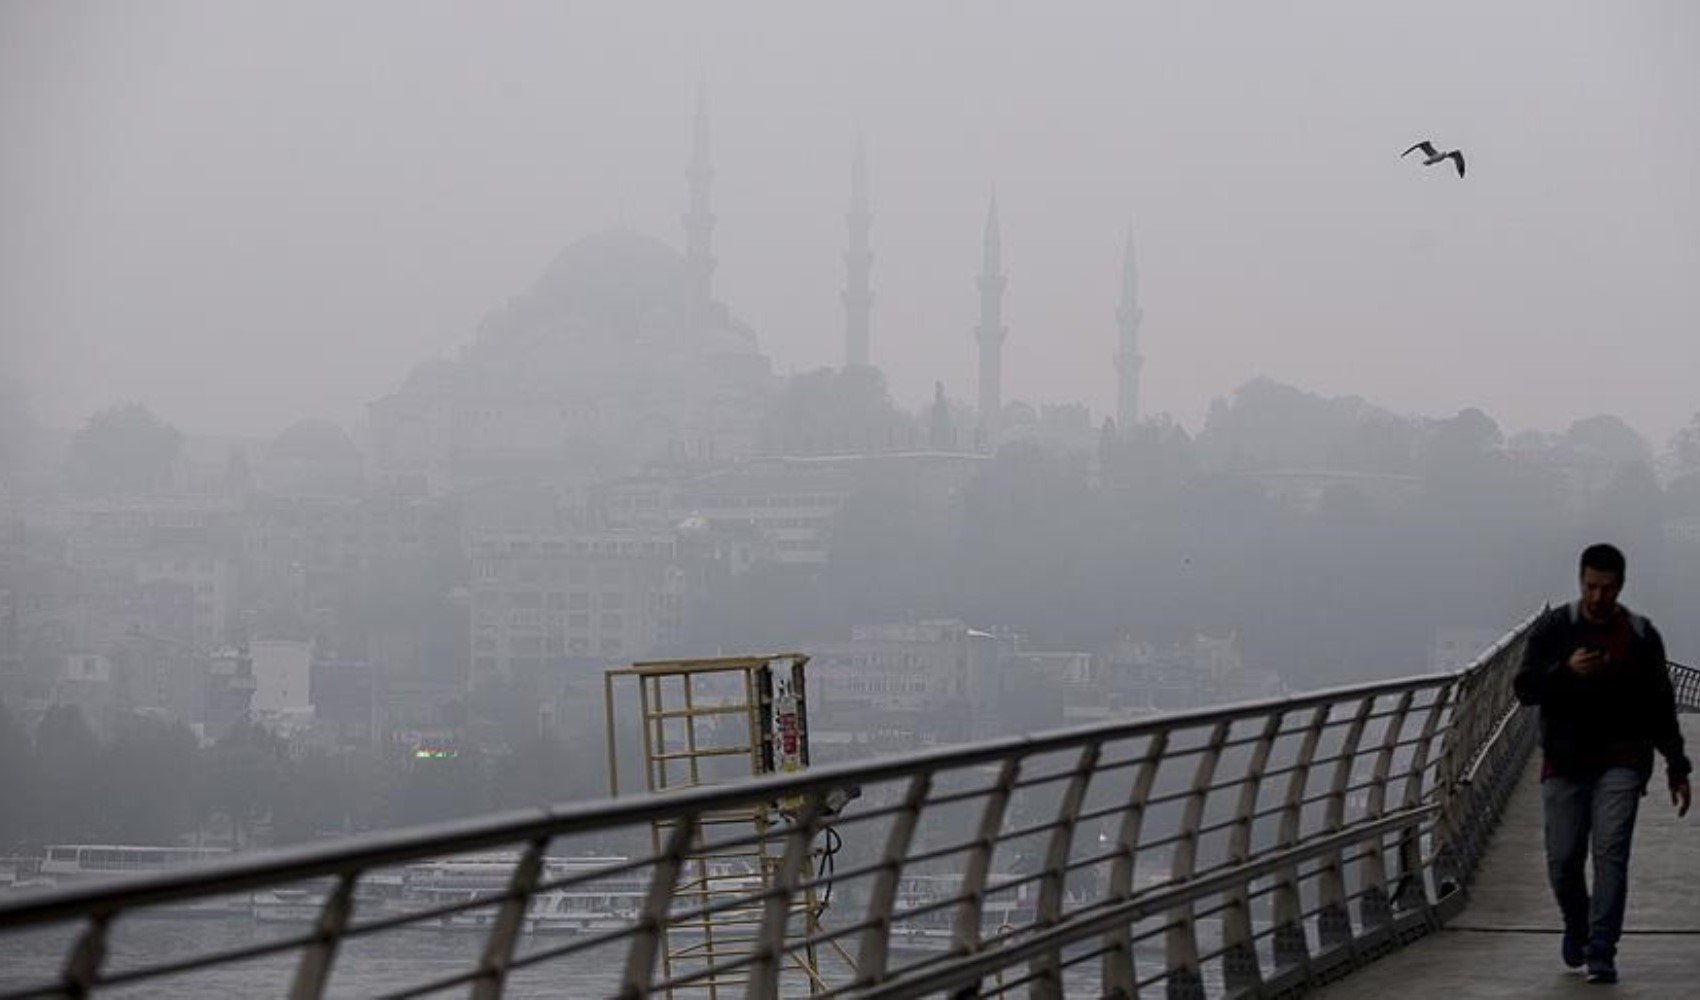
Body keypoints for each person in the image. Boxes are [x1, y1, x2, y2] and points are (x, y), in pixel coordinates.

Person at [1514, 543, 1691, 984]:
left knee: (1610, 854)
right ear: (1580, 581)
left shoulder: (1640, 635)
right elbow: (1524, 688)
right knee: (1563, 860)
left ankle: (1601, 949)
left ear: (1620, 586)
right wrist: (1565, 672)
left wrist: (1677, 765)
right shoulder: (1555, 629)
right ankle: (1577, 924)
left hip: (1623, 761)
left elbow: (1660, 705)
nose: (1598, 597)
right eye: (1591, 587)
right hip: (1564, 762)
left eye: (1606, 588)